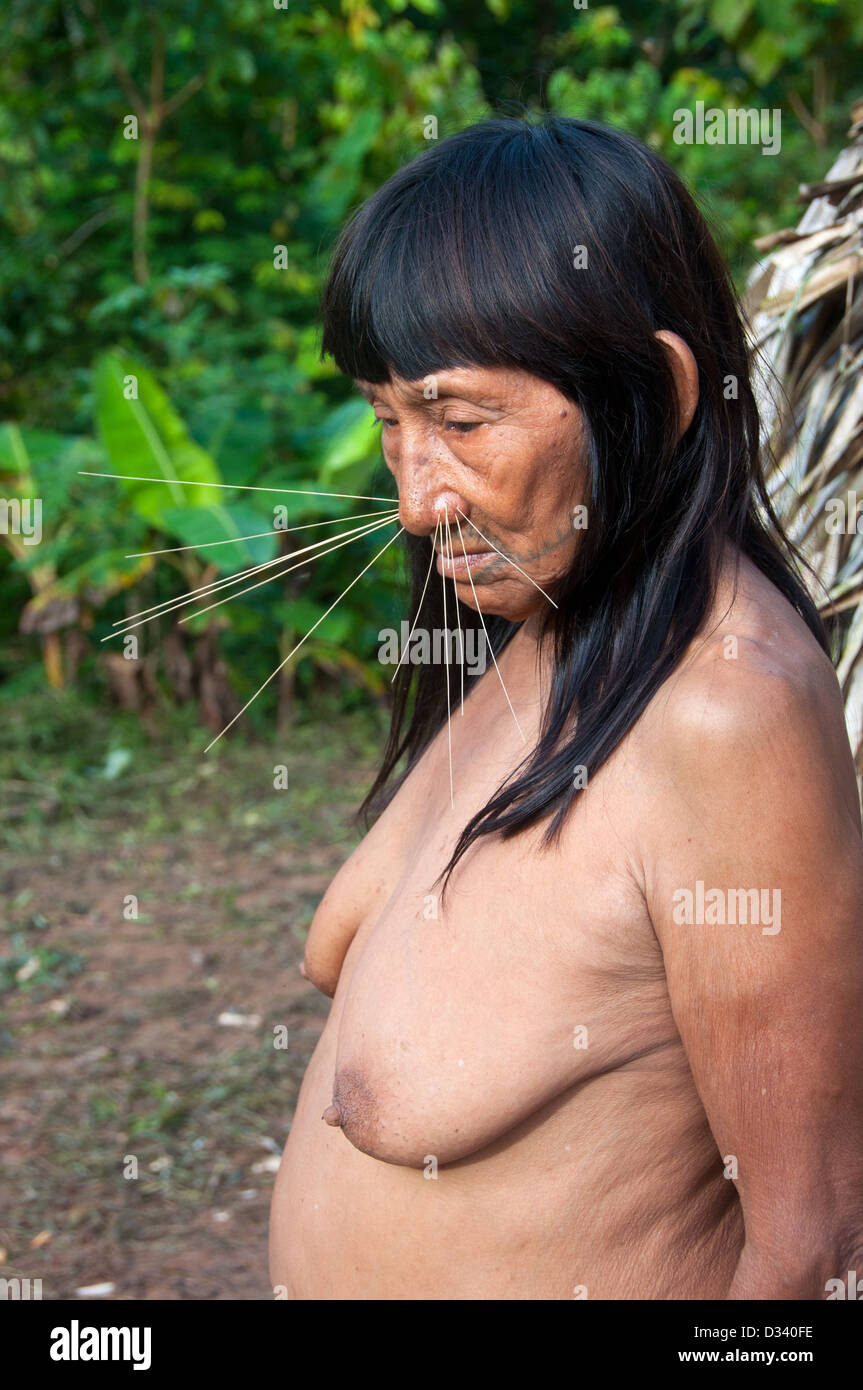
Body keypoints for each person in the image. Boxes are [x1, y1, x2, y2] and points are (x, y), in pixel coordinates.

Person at [269, 116, 863, 1299]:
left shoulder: (725, 715)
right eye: (389, 420)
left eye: (458, 421)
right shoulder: (551, 623)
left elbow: (811, 1248)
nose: (410, 499)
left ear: (660, 391)